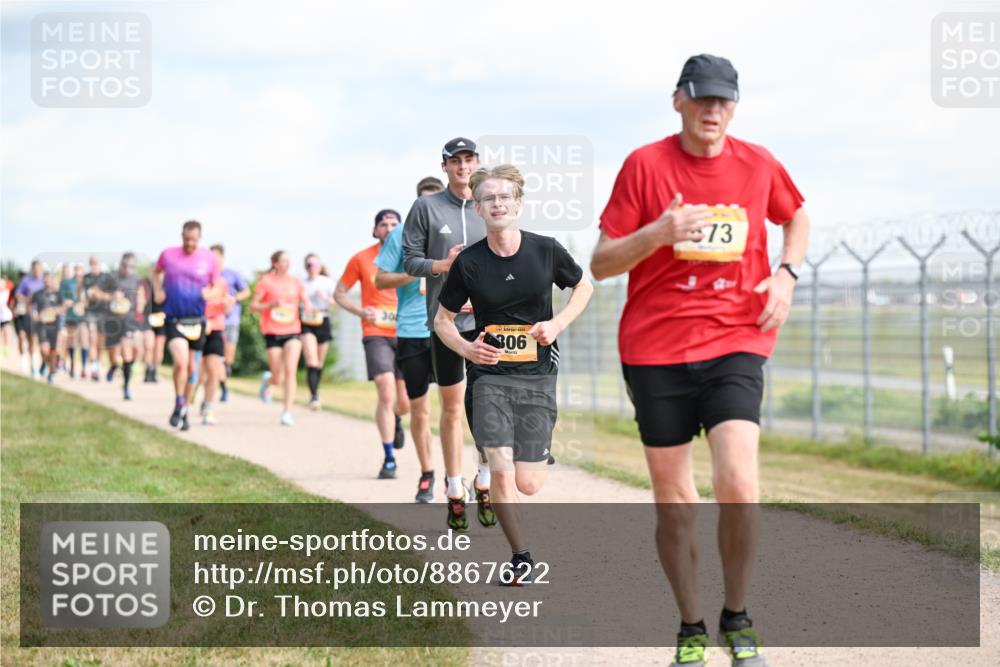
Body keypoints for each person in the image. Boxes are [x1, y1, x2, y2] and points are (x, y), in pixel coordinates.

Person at [589, 54, 809, 667]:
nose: (714, 110)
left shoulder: (758, 163)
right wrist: (659, 232)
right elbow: (602, 264)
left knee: (739, 482)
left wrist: (786, 274)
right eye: (702, 98)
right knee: (675, 503)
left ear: (734, 106)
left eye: (725, 100)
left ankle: (737, 616)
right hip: (654, 349)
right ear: (679, 100)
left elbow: (796, 216)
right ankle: (691, 627)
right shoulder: (645, 165)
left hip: (736, 338)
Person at [436, 164, 592, 579]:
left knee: (529, 484)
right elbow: (442, 321)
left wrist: (557, 324)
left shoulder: (546, 250)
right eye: (489, 199)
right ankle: (521, 557)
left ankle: (531, 448)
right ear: (478, 208)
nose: (498, 204)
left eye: (505, 197)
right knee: (502, 471)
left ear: (518, 204)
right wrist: (469, 350)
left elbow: (584, 286)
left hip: (538, 374)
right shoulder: (468, 263)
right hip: (489, 379)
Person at [403, 137, 495, 530]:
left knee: (489, 408)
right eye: (455, 161)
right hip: (445, 324)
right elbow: (410, 262)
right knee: (454, 408)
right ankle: (455, 488)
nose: (462, 166)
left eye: (468, 159)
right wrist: (445, 265)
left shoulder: (489, 204)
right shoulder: (426, 207)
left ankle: (485, 480)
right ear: (444, 166)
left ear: (476, 163)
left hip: (488, 323)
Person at [374, 182, 441, 501]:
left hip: (450, 330)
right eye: (422, 205)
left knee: (459, 408)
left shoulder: (456, 228)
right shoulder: (401, 234)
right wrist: (413, 275)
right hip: (413, 331)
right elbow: (380, 279)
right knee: (419, 409)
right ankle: (427, 474)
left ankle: (467, 476)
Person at [335, 210, 409, 479]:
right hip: (375, 332)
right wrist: (359, 311)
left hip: (407, 332)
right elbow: (339, 293)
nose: (388, 228)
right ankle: (389, 458)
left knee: (404, 402)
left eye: (394, 224)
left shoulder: (412, 256)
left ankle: (397, 418)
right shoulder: (361, 258)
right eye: (383, 224)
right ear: (375, 230)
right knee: (386, 393)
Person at [153, 220, 223, 431]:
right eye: (186, 239)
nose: (190, 243)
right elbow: (155, 272)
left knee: (193, 369)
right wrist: (158, 290)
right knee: (181, 363)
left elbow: (217, 285)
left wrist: (210, 294)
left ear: (200, 238)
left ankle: (182, 411)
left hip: (197, 320)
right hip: (174, 318)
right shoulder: (168, 254)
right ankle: (179, 400)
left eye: (193, 240)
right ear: (182, 235)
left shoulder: (209, 258)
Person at [251, 250, 310, 426]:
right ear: (275, 263)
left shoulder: (295, 282)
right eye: (283, 261)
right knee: (278, 376)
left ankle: (287, 412)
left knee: (291, 371)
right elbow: (253, 306)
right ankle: (268, 381)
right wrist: (271, 304)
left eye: (289, 261)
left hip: (292, 331)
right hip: (272, 332)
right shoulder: (266, 281)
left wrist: (309, 307)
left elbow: (305, 301)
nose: (287, 264)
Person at [96, 253, 144, 400]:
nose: (129, 268)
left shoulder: (136, 279)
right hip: (112, 319)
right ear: (121, 264)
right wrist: (111, 297)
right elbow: (95, 292)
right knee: (114, 352)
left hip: (128, 319)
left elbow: (141, 295)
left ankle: (126, 386)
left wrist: (140, 307)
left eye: (132, 266)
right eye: (126, 265)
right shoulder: (111, 277)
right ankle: (114, 366)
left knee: (128, 351)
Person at [212, 244, 250, 401]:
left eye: (216, 256)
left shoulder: (232, 274)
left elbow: (247, 291)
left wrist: (234, 299)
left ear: (222, 257)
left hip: (232, 320)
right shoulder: (208, 276)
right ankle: (223, 389)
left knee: (228, 358)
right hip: (215, 321)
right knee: (217, 357)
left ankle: (223, 381)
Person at [301, 254, 336, 410]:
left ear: (320, 266)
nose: (311, 267)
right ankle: (314, 396)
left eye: (314, 264)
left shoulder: (327, 283)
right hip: (306, 321)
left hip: (323, 319)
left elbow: (338, 303)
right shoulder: (301, 283)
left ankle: (316, 390)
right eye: (309, 264)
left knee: (319, 362)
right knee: (311, 359)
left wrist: (325, 298)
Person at [198, 268, 230, 425]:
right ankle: (186, 399)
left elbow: (226, 309)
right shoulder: (196, 281)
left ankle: (208, 407)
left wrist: (227, 305)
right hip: (196, 328)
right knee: (196, 373)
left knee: (213, 369)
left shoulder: (222, 283)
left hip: (216, 329)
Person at [31, 272, 66, 384]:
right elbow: (32, 307)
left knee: (53, 351)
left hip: (54, 325)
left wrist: (56, 310)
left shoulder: (58, 294)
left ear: (51, 280)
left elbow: (63, 307)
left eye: (49, 279)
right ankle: (46, 362)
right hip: (42, 326)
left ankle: (51, 373)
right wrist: (34, 314)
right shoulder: (38, 294)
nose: (47, 282)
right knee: (43, 349)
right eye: (45, 280)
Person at [14, 262, 45, 377]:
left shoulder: (44, 281)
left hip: (38, 314)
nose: (37, 271)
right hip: (25, 313)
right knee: (22, 337)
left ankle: (35, 365)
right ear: (32, 269)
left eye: (39, 269)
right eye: (35, 269)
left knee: (34, 339)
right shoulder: (26, 281)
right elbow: (18, 294)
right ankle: (24, 360)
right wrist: (27, 299)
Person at [59, 263, 85, 378]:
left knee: (85, 341)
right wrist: (66, 302)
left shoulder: (88, 283)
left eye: (80, 269)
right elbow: (61, 297)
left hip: (85, 316)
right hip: (71, 316)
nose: (78, 271)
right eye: (76, 268)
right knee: (71, 341)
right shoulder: (67, 283)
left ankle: (84, 367)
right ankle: (72, 366)